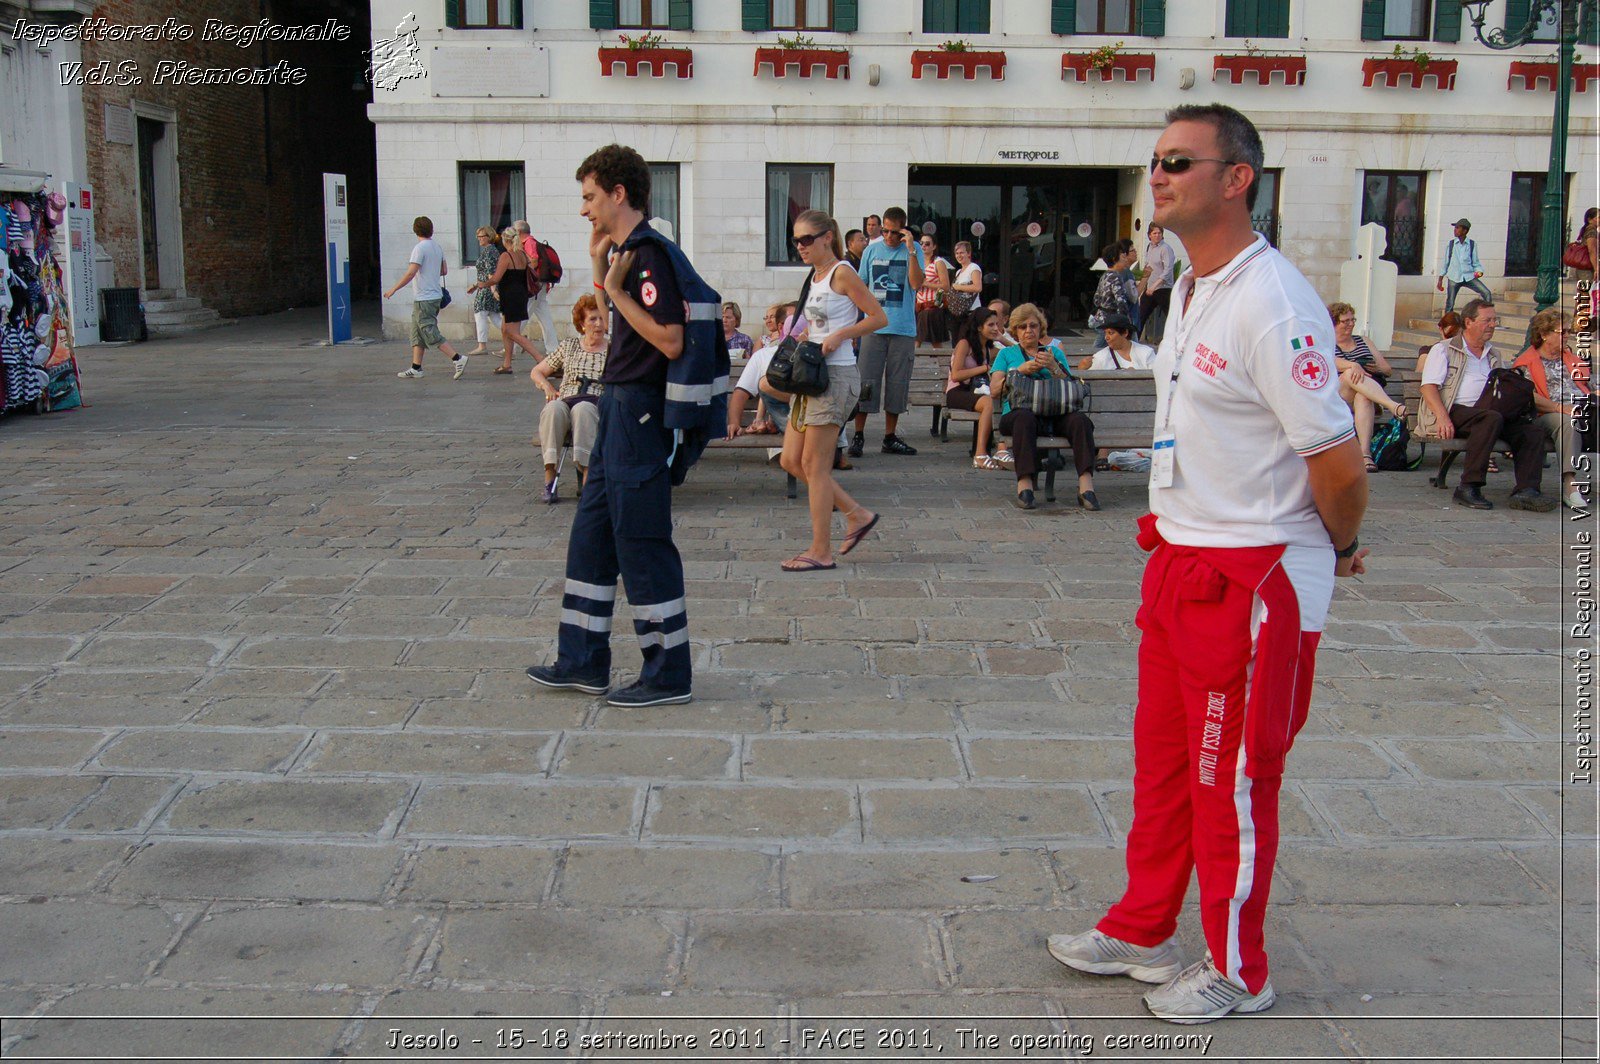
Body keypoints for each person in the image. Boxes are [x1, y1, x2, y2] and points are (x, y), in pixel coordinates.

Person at [1048, 104, 1370, 1025]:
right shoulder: (1190, 287)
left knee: (1232, 778)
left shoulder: (1274, 302)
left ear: (1239, 179)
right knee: (1163, 761)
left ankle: (1239, 966)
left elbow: (1339, 463)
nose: (1159, 175)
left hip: (1254, 573)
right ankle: (1144, 926)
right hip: (1181, 557)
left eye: (1179, 161)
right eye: (1153, 160)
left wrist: (1340, 547)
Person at [526, 144, 694, 708]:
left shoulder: (649, 255)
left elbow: (669, 337)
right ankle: (582, 661)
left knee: (640, 541)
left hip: (637, 412)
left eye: (590, 197)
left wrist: (617, 287)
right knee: (591, 537)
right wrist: (601, 266)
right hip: (616, 404)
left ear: (619, 194)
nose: (583, 209)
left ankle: (667, 675)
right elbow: (617, 316)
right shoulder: (626, 252)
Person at [777, 209, 886, 572]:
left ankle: (820, 550)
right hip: (811, 376)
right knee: (791, 460)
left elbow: (877, 317)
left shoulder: (842, 272)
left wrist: (840, 335)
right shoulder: (816, 275)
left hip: (835, 377)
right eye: (795, 240)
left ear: (827, 237)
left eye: (806, 239)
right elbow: (822, 320)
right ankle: (857, 514)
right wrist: (812, 334)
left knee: (815, 465)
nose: (800, 246)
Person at [1419, 298, 1555, 511]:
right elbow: (1428, 387)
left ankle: (1526, 491)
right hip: (1456, 410)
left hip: (1491, 413)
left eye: (1494, 320)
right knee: (1490, 418)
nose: (1492, 325)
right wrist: (1442, 417)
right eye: (1487, 320)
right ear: (1469, 322)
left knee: (1531, 432)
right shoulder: (1444, 349)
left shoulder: (1494, 353)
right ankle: (1468, 486)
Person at [989, 303, 1098, 511]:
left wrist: (1054, 367)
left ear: (1041, 328)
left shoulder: (1054, 352)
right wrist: (1019, 371)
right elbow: (995, 390)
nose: (1028, 330)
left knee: (1080, 421)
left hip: (1054, 412)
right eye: (1022, 327)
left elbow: (1070, 383)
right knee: (1024, 419)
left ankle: (1086, 486)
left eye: (1033, 325)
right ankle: (1025, 484)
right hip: (1019, 412)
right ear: (1015, 330)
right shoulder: (1006, 355)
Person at [851, 206, 925, 457]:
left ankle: (889, 436)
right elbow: (860, 287)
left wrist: (912, 250)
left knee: (897, 383)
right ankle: (858, 435)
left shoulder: (913, 252)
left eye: (895, 232)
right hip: (874, 327)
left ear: (904, 230)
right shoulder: (871, 250)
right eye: (885, 231)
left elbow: (916, 283)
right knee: (866, 382)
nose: (889, 237)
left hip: (903, 328)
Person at [531, 293, 608, 503]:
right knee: (552, 409)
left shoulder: (612, 350)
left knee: (583, 409)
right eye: (593, 319)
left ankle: (587, 478)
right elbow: (537, 371)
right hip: (567, 399)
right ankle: (550, 477)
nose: (599, 324)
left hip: (595, 402)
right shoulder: (570, 346)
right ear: (582, 324)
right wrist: (547, 386)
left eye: (602, 318)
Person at [1513, 308, 1592, 510]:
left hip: (1582, 408)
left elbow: (1588, 384)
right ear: (1544, 334)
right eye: (1562, 332)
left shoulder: (1570, 358)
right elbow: (1528, 397)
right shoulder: (1526, 362)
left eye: (1568, 331)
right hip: (1546, 414)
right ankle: (1570, 485)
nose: (1567, 336)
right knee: (1568, 422)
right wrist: (1560, 407)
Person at [384, 215, 466, 380]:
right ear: (431, 229)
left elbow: (411, 272)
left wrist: (394, 289)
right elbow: (444, 271)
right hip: (434, 295)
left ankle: (457, 358)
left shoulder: (419, 248)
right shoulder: (437, 247)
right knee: (417, 332)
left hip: (424, 297)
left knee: (429, 331)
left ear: (415, 230)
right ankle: (416, 367)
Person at [1327, 302, 1406, 472]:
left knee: (1363, 397)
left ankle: (1365, 455)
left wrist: (1375, 368)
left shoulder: (1363, 341)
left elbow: (1387, 370)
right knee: (1349, 374)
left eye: (1352, 319)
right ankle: (1393, 406)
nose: (1351, 324)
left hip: (1367, 395)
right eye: (1345, 321)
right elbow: (1328, 361)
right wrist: (1353, 365)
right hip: (1340, 396)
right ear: (1333, 323)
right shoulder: (1326, 342)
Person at [947, 307, 1003, 470]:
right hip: (957, 391)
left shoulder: (988, 348)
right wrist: (984, 368)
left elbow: (1016, 352)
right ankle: (980, 454)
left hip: (977, 391)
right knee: (989, 403)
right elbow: (956, 375)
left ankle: (1000, 450)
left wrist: (1002, 338)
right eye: (991, 325)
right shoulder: (965, 344)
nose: (995, 328)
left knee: (998, 398)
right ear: (979, 327)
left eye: (997, 325)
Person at [482, 227, 541, 372]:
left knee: (512, 333)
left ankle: (542, 360)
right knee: (505, 329)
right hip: (520, 295)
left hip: (511, 296)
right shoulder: (521, 254)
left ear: (505, 240)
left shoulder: (506, 256)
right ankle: (507, 364)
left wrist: (480, 284)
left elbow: (496, 278)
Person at [514, 219, 561, 354]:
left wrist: (523, 268)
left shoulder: (529, 242)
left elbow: (533, 261)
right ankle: (553, 348)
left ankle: (511, 345)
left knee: (523, 313)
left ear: (519, 232)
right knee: (544, 317)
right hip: (540, 284)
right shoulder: (530, 242)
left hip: (535, 285)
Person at [1437, 218, 1493, 313]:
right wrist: (1440, 279)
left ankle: (1487, 314)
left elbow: (1475, 262)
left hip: (1469, 276)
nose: (1455, 230)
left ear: (1465, 231)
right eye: (1455, 228)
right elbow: (1446, 262)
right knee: (1450, 303)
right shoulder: (1451, 244)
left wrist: (1479, 271)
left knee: (1487, 293)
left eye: (1457, 228)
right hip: (1454, 277)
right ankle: (1448, 323)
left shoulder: (1471, 244)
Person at [466, 226, 503, 358]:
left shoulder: (489, 252)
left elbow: (491, 273)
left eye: (482, 236)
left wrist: (493, 290)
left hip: (487, 289)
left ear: (489, 237)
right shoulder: (490, 251)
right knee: (495, 317)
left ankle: (482, 345)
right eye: (478, 236)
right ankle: (517, 338)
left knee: (480, 313)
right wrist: (475, 286)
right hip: (484, 287)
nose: (479, 239)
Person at [1137, 224, 1176, 343]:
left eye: (1159, 233)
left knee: (1171, 316)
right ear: (1149, 235)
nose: (1157, 235)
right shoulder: (1150, 247)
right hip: (1150, 287)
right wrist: (1144, 282)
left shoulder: (1166, 248)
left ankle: (1175, 342)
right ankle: (1133, 341)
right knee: (1141, 315)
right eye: (1154, 233)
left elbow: (1168, 270)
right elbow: (1148, 266)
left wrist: (1155, 286)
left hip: (1163, 288)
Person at [1078, 313, 1157, 370]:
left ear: (1125, 333)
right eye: (1105, 333)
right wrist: (1081, 369)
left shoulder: (1146, 353)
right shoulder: (1101, 357)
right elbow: (1083, 380)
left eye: (1110, 333)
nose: (1106, 337)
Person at [1092, 240, 1138, 336]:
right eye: (1123, 257)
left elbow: (1096, 299)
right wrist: (1125, 322)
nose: (1125, 259)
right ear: (1114, 259)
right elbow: (1121, 301)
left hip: (1101, 319)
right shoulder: (1116, 277)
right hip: (1111, 322)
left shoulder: (1105, 275)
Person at [916, 235, 953, 348]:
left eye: (927, 244)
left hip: (933, 306)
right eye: (921, 243)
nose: (923, 246)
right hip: (919, 306)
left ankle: (941, 364)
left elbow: (946, 286)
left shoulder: (938, 262)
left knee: (935, 342)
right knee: (917, 339)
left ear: (934, 246)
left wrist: (925, 283)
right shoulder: (917, 261)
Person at [948, 240, 983, 331]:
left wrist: (958, 287)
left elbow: (977, 287)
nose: (959, 256)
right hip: (959, 312)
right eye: (957, 253)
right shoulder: (958, 272)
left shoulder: (974, 267)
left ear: (969, 253)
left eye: (962, 253)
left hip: (971, 311)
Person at [1575, 207, 1599, 283]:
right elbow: (1592, 250)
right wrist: (1596, 269)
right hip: (1587, 268)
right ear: (1590, 219)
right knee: (1587, 292)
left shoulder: (1587, 229)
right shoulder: (1591, 230)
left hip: (1583, 267)